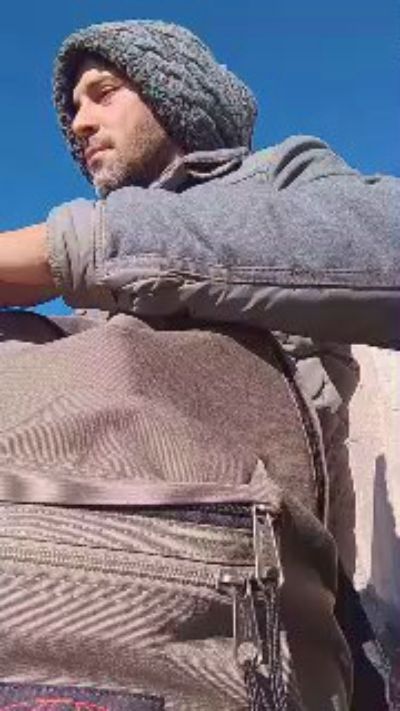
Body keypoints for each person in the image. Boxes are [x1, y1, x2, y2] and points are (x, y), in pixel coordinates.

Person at [0, 19, 398, 709]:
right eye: (73, 111)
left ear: (174, 94)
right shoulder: (96, 311)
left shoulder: (277, 180)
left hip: (238, 592)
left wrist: (70, 250)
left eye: (104, 93)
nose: (80, 123)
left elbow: (387, 239)